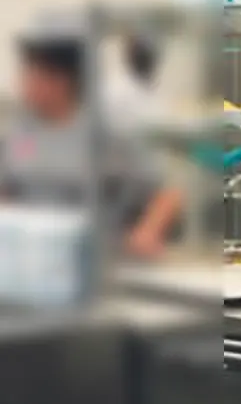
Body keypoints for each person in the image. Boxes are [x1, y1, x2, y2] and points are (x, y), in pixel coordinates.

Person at [0, 33, 182, 258]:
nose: (22, 84)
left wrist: (146, 233)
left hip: (91, 256)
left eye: (32, 75)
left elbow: (168, 194)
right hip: (28, 253)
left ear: (60, 81)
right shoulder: (21, 130)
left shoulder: (106, 134)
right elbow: (7, 188)